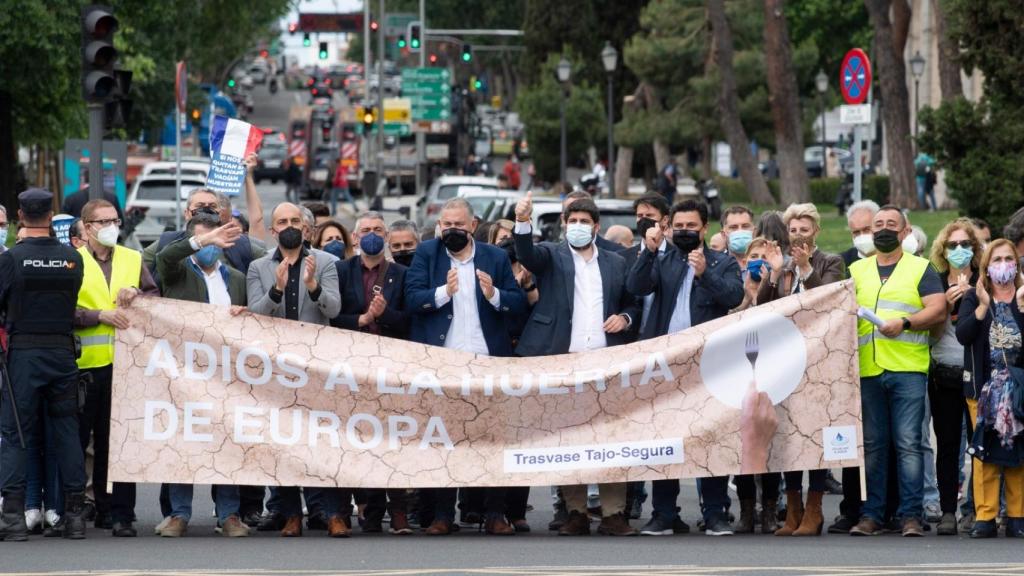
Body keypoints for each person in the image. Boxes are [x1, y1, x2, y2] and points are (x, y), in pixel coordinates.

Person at [512, 193, 640, 537]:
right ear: (564, 226)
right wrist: (522, 221)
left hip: (606, 363)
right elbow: (526, 254)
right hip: (562, 361)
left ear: (596, 228)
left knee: (610, 439)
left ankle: (614, 514)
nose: (578, 227)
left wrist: (625, 318)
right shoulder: (551, 256)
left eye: (585, 222)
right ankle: (576, 512)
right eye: (573, 222)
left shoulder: (615, 262)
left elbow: (633, 302)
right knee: (569, 440)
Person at [404, 198, 527, 536]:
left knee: (492, 440)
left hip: (488, 363)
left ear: (473, 225)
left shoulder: (496, 257)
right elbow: (412, 298)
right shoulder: (427, 254)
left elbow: (517, 305)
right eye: (446, 225)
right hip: (442, 366)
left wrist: (493, 295)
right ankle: (444, 515)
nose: (451, 231)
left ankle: (494, 513)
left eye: (458, 225)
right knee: (444, 441)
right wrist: (445, 291)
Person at [626, 198, 744, 537]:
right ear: (668, 227)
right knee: (666, 441)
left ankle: (715, 513)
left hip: (709, 366)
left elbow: (733, 297)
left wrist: (704, 273)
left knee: (710, 439)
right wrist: (648, 252)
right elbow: (636, 287)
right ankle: (664, 514)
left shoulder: (721, 262)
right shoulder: (665, 259)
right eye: (679, 227)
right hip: (665, 366)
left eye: (691, 227)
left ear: (704, 229)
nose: (685, 232)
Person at [848, 205, 946, 537]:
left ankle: (911, 515)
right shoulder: (856, 270)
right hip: (869, 369)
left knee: (908, 444)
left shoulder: (921, 268)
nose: (884, 229)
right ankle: (873, 514)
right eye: (878, 225)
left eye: (892, 224)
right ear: (870, 232)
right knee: (874, 445)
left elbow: (938, 309)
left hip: (907, 369)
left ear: (905, 233)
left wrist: (905, 322)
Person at [246, 203, 343, 537]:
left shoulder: (327, 263)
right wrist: (276, 287)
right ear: (273, 231)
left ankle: (331, 513)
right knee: (284, 442)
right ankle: (290, 514)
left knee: (322, 440)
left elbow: (333, 307)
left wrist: (313, 284)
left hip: (316, 366)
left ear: (307, 229)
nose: (289, 226)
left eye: (295, 221)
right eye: (281, 222)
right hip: (275, 368)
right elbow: (255, 313)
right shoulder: (258, 267)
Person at [152, 212, 250, 538]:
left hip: (226, 376)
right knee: (184, 443)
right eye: (203, 240)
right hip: (184, 374)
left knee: (227, 444)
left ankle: (229, 515)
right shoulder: (176, 272)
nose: (211, 245)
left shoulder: (235, 278)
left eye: (215, 237)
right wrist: (200, 240)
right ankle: (179, 514)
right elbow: (165, 256)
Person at [0, 189, 88, 541]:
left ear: (21, 215)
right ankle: (75, 517)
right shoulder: (72, 258)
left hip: (23, 355)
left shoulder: (10, 260)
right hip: (63, 354)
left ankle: (12, 520)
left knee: (16, 435)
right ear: (51, 216)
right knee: (67, 434)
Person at [756, 204, 845, 537]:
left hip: (818, 364)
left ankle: (814, 510)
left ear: (816, 232)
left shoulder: (831, 262)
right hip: (783, 364)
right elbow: (761, 309)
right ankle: (792, 512)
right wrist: (775, 274)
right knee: (789, 439)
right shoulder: (782, 265)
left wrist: (807, 270)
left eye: (804, 230)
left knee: (813, 437)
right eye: (792, 230)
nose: (797, 237)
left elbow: (827, 301)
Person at [72, 200, 159, 537]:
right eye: (103, 221)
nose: (111, 226)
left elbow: (154, 298)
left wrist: (137, 293)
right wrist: (98, 316)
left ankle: (120, 513)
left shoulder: (132, 259)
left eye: (115, 220)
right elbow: (62, 310)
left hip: (125, 367)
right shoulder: (72, 262)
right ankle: (76, 509)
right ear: (87, 227)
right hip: (84, 368)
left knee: (119, 442)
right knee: (77, 443)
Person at [331, 211, 411, 535]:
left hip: (390, 370)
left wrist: (385, 315)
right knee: (350, 440)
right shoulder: (338, 271)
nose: (372, 234)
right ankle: (349, 511)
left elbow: (411, 320)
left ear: (387, 236)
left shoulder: (402, 274)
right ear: (354, 237)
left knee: (391, 441)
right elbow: (330, 317)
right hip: (348, 370)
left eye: (378, 229)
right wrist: (361, 321)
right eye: (365, 230)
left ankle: (395, 510)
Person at [955, 239, 1024, 538]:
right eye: (997, 259)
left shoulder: (1023, 295)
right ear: (986, 266)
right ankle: (985, 516)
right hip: (984, 390)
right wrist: (983, 305)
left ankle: (1018, 516)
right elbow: (963, 334)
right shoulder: (974, 296)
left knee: (1016, 450)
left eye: (1009, 258)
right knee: (984, 453)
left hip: (1018, 389)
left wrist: (1021, 306)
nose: (1003, 264)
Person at [928, 218, 982, 535]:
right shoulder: (934, 282)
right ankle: (948, 510)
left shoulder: (983, 282)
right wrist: (942, 310)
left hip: (977, 373)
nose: (959, 250)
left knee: (978, 445)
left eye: (965, 245)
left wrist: (975, 298)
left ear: (974, 250)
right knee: (948, 445)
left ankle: (975, 508)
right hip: (945, 374)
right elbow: (931, 336)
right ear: (943, 250)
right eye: (953, 245)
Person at [143, 187, 266, 278]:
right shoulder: (167, 242)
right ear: (187, 214)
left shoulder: (240, 244)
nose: (206, 210)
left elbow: (270, 264)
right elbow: (139, 268)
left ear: (220, 213)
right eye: (200, 206)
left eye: (212, 206)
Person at [840, 200, 881, 269]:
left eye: (867, 230)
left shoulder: (896, 258)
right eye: (856, 232)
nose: (862, 236)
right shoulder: (841, 263)